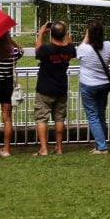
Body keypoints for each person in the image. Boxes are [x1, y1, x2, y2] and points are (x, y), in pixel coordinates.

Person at [34, 20, 76, 156]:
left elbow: (37, 49)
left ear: (51, 33)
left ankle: (44, 148)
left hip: (45, 88)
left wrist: (41, 32)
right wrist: (66, 29)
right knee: (59, 118)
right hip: (61, 87)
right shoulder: (69, 49)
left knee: (41, 118)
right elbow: (70, 43)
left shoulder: (46, 49)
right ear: (64, 34)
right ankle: (59, 147)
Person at [77, 19, 110, 155]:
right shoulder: (108, 45)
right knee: (100, 115)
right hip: (103, 84)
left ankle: (101, 146)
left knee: (93, 116)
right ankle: (100, 143)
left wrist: (87, 37)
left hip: (88, 85)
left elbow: (79, 54)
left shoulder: (84, 48)